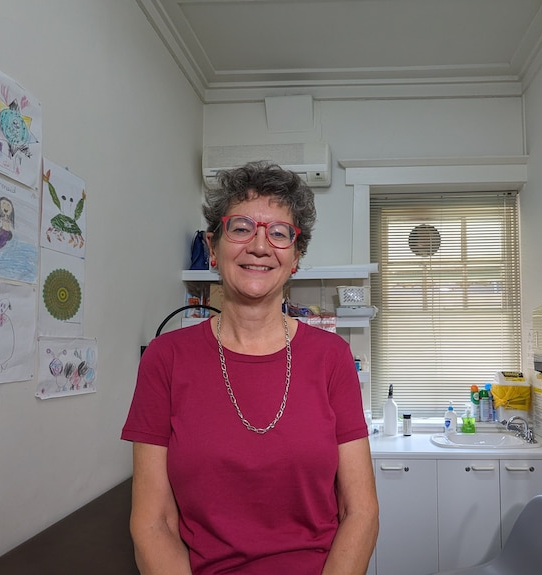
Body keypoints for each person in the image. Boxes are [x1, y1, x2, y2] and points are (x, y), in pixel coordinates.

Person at [121, 161, 379, 575]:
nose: (259, 246)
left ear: (295, 257)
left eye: (279, 233)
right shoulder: (165, 358)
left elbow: (360, 511)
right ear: (212, 247)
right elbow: (154, 524)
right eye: (241, 228)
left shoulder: (332, 357)